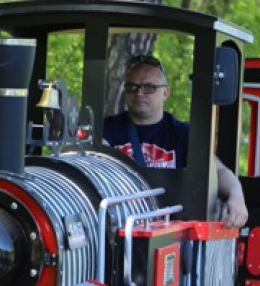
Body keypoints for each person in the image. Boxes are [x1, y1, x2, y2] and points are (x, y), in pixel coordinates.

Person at [103, 54, 248, 229]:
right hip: (116, 227)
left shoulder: (183, 134)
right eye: (132, 86)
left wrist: (237, 196)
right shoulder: (106, 130)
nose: (139, 93)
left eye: (149, 87)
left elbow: (218, 171)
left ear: (166, 92)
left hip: (169, 233)